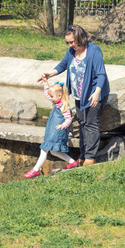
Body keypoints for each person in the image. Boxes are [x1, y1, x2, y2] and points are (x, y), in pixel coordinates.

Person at [38, 24, 110, 166]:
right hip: (79, 94)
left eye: (72, 42)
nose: (70, 45)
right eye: (68, 42)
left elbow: (101, 74)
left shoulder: (94, 51)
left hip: (93, 94)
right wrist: (49, 74)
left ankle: (90, 156)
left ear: (81, 38)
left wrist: (96, 93)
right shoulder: (71, 51)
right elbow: (62, 65)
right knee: (82, 124)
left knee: (91, 124)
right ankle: (82, 154)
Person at [25, 79, 77, 178]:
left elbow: (68, 119)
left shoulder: (63, 106)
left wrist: (64, 125)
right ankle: (72, 162)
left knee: (44, 149)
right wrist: (46, 84)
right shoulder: (56, 102)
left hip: (57, 132)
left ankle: (35, 170)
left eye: (52, 97)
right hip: (52, 131)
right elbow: (47, 94)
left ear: (59, 96)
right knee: (54, 151)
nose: (50, 98)